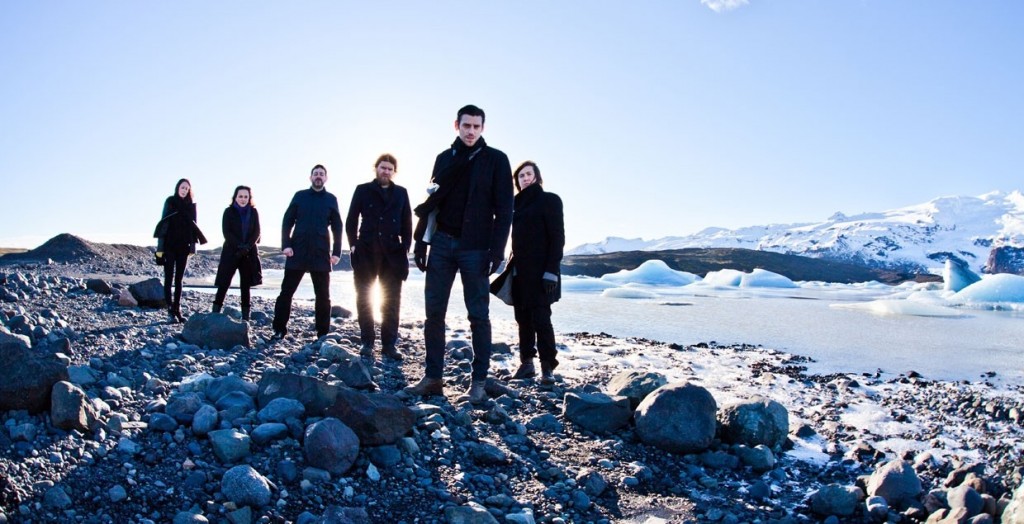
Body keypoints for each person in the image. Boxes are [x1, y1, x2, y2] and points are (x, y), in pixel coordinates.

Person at [405, 104, 513, 404]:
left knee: (478, 316)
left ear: (483, 128)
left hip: (476, 247)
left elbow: (505, 210)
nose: (471, 131)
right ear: (457, 125)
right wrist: (421, 241)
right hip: (442, 243)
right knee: (433, 313)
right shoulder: (444, 158)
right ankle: (433, 378)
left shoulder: (496, 160)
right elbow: (433, 201)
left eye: (477, 127)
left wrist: (497, 250)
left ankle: (478, 383)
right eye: (467, 126)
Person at [346, 154, 413, 361]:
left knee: (391, 301)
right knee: (364, 298)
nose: (386, 171)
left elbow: (407, 222)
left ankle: (389, 345)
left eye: (390, 169)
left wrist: (405, 247)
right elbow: (351, 220)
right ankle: (367, 342)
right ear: (376, 168)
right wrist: (354, 245)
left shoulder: (401, 193)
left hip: (392, 254)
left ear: (394, 172)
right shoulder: (362, 190)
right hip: (366, 251)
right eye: (383, 167)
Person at [505, 161, 565, 384]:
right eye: (520, 176)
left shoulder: (550, 200)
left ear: (537, 177)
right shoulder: (514, 204)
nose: (525, 178)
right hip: (519, 271)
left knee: (541, 318)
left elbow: (557, 238)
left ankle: (547, 367)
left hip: (542, 272)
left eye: (528, 174)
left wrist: (551, 271)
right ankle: (527, 363)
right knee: (522, 319)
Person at [271, 164, 343, 340]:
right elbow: (287, 221)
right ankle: (279, 329)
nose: (318, 176)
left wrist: (336, 252)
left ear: (326, 178)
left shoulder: (331, 199)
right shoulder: (300, 196)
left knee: (323, 296)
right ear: (310, 177)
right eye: (315, 174)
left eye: (321, 174)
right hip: (297, 251)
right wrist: (286, 245)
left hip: (321, 252)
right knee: (286, 292)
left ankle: (322, 333)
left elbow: (337, 227)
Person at [154, 178, 207, 323]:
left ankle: (177, 310)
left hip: (183, 247)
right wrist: (160, 248)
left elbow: (194, 227)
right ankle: (170, 310)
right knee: (168, 278)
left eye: (187, 188)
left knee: (179, 279)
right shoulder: (170, 201)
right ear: (177, 188)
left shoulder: (191, 206)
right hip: (169, 246)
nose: (184, 190)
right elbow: (163, 223)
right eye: (182, 187)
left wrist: (193, 247)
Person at [212, 185, 262, 320]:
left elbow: (257, 231)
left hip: (248, 254)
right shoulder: (228, 212)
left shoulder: (254, 212)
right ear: (235, 197)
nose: (243, 199)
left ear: (249, 198)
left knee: (245, 285)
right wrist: (239, 246)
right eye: (240, 196)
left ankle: (246, 318)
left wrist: (247, 247)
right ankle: (214, 314)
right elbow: (226, 232)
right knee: (224, 282)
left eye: (246, 196)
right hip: (231, 252)